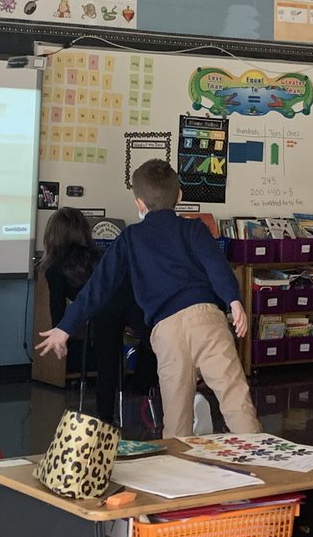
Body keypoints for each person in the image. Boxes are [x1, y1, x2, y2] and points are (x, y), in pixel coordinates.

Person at [36, 159, 260, 438]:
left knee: (176, 411)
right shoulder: (194, 229)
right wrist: (234, 300)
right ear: (179, 196)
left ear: (139, 204)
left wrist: (66, 326)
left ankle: (178, 469)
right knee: (234, 395)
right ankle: (262, 464)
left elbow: (98, 286)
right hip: (207, 320)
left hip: (166, 330)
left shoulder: (130, 238)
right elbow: (217, 267)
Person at [40, 207, 156, 425]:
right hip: (132, 301)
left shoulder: (54, 268)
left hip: (102, 311)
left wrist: (62, 332)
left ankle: (105, 419)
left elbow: (57, 308)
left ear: (52, 235)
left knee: (107, 364)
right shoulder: (99, 255)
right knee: (156, 343)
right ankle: (144, 389)